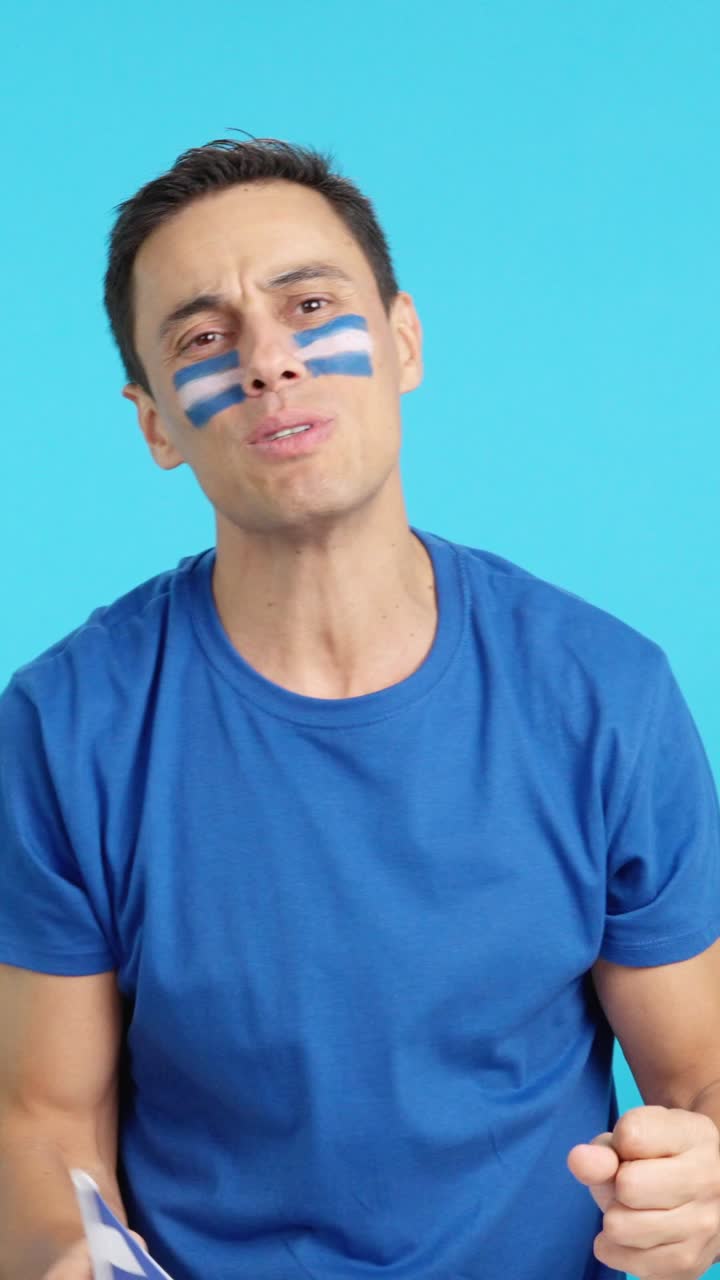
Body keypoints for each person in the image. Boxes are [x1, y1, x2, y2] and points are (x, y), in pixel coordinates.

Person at [1, 137, 720, 1280]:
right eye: (203, 337)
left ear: (403, 340)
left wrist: (697, 1184)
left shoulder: (605, 695)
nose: (268, 362)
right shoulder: (63, 728)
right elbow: (43, 1118)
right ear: (154, 424)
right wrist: (57, 1259)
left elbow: (699, 1075)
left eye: (310, 306)